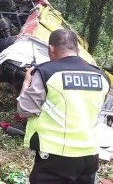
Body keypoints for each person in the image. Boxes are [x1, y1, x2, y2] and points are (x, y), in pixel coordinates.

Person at [17, 29, 110, 183]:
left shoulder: (47, 73)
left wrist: (27, 81)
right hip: (90, 155)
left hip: (55, 157)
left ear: (51, 49)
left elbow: (24, 110)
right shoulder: (102, 77)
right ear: (78, 50)